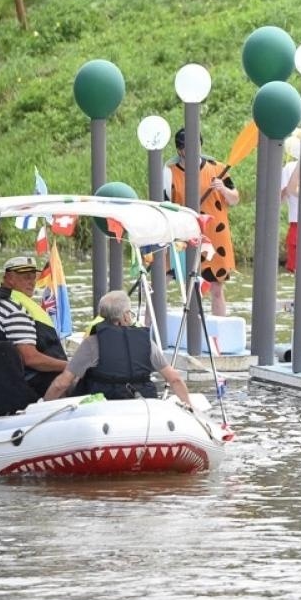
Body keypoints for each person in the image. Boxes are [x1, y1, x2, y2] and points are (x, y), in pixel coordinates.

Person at [43, 291, 192, 405]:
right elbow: (175, 379)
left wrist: (42, 407)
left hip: (103, 405)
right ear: (126, 316)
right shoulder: (146, 342)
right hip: (140, 403)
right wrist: (189, 406)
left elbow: (61, 383)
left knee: (72, 385)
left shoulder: (91, 343)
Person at [0, 254, 70, 416]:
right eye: (25, 277)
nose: (31, 281)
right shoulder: (14, 311)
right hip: (28, 387)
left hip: (0, 384)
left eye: (33, 276)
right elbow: (30, 358)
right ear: (9, 278)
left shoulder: (1, 302)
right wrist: (71, 367)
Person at [166, 127, 240, 316]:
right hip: (185, 236)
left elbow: (235, 199)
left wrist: (223, 188)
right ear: (179, 150)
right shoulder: (169, 173)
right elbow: (165, 206)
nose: (191, 151)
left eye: (195, 146)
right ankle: (188, 330)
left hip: (215, 234)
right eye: (186, 148)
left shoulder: (217, 168)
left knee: (216, 288)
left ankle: (218, 332)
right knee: (183, 284)